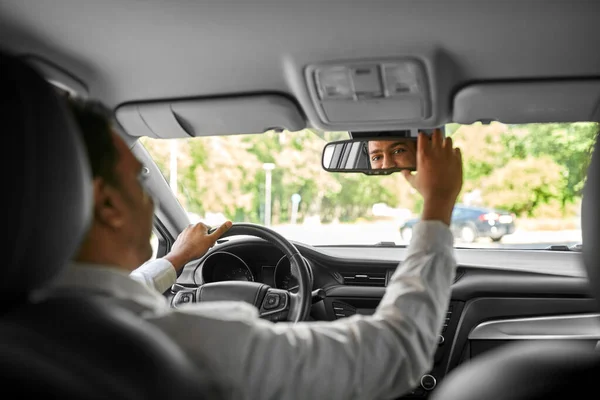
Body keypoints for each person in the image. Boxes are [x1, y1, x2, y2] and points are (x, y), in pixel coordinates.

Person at [51, 97, 463, 400]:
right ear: (108, 205)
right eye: (139, 180)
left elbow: (113, 293)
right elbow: (395, 353)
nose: (149, 199)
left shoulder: (33, 326)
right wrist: (438, 204)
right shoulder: (200, 343)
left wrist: (176, 259)